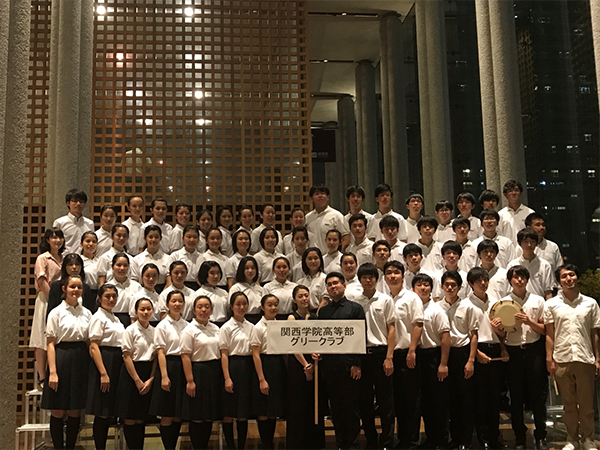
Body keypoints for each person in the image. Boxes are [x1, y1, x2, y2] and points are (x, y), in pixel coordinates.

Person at [545, 264, 600, 450]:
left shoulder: (590, 303)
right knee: (568, 404)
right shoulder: (551, 304)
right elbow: (550, 334)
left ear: (577, 277)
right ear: (559, 282)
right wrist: (549, 359)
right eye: (564, 276)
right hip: (562, 358)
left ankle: (588, 439)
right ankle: (572, 439)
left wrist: (597, 358)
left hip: (584, 358)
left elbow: (594, 333)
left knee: (586, 404)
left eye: (572, 275)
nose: (569, 279)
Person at [41, 274, 92, 450]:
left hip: (80, 359)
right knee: (57, 409)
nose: (76, 290)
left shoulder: (87, 313)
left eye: (79, 287)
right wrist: (53, 372)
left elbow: (89, 341)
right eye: (72, 287)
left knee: (75, 409)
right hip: (61, 358)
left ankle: (70, 446)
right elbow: (50, 343)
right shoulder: (56, 312)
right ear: (64, 289)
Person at [316, 272, 365, 450]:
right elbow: (320, 337)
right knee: (335, 408)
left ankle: (353, 444)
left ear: (344, 285)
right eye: (329, 284)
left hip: (349, 365)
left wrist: (357, 363)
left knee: (351, 408)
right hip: (329, 366)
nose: (333, 286)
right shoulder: (324, 312)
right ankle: (340, 444)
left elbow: (360, 337)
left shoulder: (355, 309)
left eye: (336, 283)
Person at [502, 265, 548, 450]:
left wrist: (529, 321)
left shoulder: (538, 300)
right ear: (510, 281)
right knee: (516, 397)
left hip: (534, 351)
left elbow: (545, 330)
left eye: (522, 277)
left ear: (527, 280)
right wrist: (497, 327)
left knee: (538, 396)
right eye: (515, 277)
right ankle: (519, 437)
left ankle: (540, 436)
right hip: (513, 352)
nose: (519, 280)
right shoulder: (503, 302)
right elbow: (500, 333)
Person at [355, 263, 396, 450]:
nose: (368, 280)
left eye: (371, 277)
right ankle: (371, 439)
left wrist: (389, 357)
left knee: (386, 400)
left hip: (381, 354)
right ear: (360, 280)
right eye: (364, 277)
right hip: (362, 355)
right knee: (364, 401)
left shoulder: (385, 300)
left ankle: (386, 441)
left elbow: (391, 329)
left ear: (377, 279)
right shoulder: (355, 302)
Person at [384, 260, 424, 450]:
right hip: (389, 355)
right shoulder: (384, 299)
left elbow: (418, 324)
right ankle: (401, 439)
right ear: (384, 277)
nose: (393, 276)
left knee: (411, 400)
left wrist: (412, 350)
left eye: (396, 273)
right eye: (389, 273)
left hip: (408, 353)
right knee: (396, 400)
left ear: (403, 275)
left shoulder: (411, 298)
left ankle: (412, 441)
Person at [438, 270, 479, 450]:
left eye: (453, 285)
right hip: (443, 355)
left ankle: (465, 440)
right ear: (441, 287)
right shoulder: (437, 307)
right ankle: (454, 438)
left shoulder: (468, 306)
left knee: (465, 399)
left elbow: (474, 334)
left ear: (460, 287)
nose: (450, 288)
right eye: (447, 285)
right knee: (449, 399)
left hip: (462, 354)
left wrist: (471, 360)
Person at [467, 267, 506, 450]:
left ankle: (494, 436)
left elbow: (502, 332)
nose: (483, 283)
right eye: (478, 281)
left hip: (495, 349)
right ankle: (482, 438)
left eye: (485, 280)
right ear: (470, 284)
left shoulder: (496, 303)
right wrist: (476, 354)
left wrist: (503, 348)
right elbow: (464, 333)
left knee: (495, 397)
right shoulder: (466, 304)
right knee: (479, 398)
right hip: (477, 351)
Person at [181, 295, 223, 450]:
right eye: (200, 307)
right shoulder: (189, 330)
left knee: (208, 415)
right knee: (197, 415)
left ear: (211, 310)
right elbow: (185, 356)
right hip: (197, 372)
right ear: (194, 310)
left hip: (214, 372)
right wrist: (190, 380)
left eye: (207, 307)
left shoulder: (216, 329)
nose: (203, 310)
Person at [414, 273, 450, 450]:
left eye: (426, 285)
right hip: (417, 356)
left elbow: (445, 337)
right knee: (425, 401)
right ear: (413, 288)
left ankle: (441, 439)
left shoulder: (437, 310)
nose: (423, 288)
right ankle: (430, 438)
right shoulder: (411, 307)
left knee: (438, 401)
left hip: (433, 356)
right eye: (419, 285)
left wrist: (443, 364)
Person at [87, 283, 125, 450]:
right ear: (99, 298)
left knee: (111, 410)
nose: (111, 299)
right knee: (102, 411)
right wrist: (103, 372)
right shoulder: (98, 317)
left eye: (113, 296)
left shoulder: (115, 318)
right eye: (107, 296)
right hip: (104, 361)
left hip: (117, 361)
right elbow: (94, 346)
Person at [286, 285, 325, 450]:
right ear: (295, 300)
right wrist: (305, 365)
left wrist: (317, 356)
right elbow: (292, 344)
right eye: (300, 296)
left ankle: (315, 443)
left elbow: (320, 341)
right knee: (298, 405)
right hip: (299, 364)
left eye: (306, 295)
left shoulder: (315, 317)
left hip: (314, 364)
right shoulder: (292, 318)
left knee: (314, 404)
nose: (304, 299)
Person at [116, 297, 156, 450]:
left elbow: (155, 358)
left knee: (141, 418)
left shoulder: (155, 331)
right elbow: (126, 356)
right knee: (130, 418)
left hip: (148, 373)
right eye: (142, 309)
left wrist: (151, 378)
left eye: (148, 309)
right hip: (131, 374)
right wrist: (137, 380)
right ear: (136, 312)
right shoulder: (130, 330)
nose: (146, 312)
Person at [149, 290, 187, 450]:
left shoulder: (187, 325)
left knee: (178, 413)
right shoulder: (162, 326)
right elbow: (160, 352)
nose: (177, 304)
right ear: (167, 304)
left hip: (183, 367)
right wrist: (164, 376)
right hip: (168, 366)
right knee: (167, 413)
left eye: (180, 301)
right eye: (174, 301)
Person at [219, 292, 255, 450]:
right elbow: (224, 354)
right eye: (238, 304)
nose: (241, 307)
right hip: (232, 366)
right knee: (229, 410)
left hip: (247, 367)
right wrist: (227, 377)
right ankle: (230, 446)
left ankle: (241, 446)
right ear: (231, 307)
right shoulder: (226, 327)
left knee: (243, 412)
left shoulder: (251, 326)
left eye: (244, 304)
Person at [251, 294, 286, 450]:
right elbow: (255, 354)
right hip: (264, 366)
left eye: (275, 304)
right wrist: (261, 379)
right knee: (263, 409)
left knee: (273, 409)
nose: (273, 308)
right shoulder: (258, 327)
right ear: (262, 307)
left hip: (278, 366)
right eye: (269, 305)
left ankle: (270, 443)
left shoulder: (279, 325)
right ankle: (266, 445)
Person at [30, 228, 65, 383]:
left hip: (61, 302)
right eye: (54, 237)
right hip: (46, 300)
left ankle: (53, 372)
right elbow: (41, 280)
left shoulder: (64, 258)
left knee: (55, 337)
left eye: (60, 237)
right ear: (47, 240)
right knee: (41, 337)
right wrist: (53, 300)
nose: (57, 240)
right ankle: (42, 377)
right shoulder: (42, 258)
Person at [507, 228, 553, 299]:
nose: (529, 245)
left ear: (536, 243)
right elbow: (509, 289)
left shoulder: (545, 265)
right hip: (517, 303)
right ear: (519, 244)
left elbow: (548, 292)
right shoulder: (512, 265)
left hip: (539, 303)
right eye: (525, 242)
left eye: (532, 241)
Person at [46, 253, 96, 317]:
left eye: (77, 264)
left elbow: (90, 310)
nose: (74, 267)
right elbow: (50, 310)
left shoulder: (86, 287)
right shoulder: (56, 286)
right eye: (70, 264)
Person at [305, 184, 350, 254]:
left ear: (327, 197)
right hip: (313, 257)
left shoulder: (337, 216)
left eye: (323, 193)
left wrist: (339, 254)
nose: (320, 196)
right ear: (311, 198)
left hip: (331, 257)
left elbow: (346, 238)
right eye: (317, 194)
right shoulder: (307, 218)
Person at [52, 188, 94, 254]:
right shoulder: (59, 223)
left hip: (84, 259)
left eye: (81, 201)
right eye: (75, 201)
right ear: (68, 203)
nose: (78, 204)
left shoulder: (90, 223)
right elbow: (54, 244)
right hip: (65, 258)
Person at [131, 225, 170, 292]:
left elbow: (169, 282)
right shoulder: (136, 260)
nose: (153, 240)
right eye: (150, 237)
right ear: (145, 238)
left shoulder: (168, 259)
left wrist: (161, 296)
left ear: (160, 238)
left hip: (162, 292)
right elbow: (134, 282)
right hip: (141, 293)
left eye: (156, 237)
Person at [110, 252, 142, 328]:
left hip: (133, 321)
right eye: (118, 265)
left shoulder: (137, 286)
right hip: (112, 321)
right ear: (112, 267)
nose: (122, 268)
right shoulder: (108, 287)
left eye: (125, 265)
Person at [229, 256, 265, 324]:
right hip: (242, 319)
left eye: (253, 268)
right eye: (247, 268)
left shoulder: (260, 289)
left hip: (259, 320)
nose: (250, 271)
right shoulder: (236, 288)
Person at [167, 224, 204, 290]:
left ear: (198, 240)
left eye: (195, 237)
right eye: (188, 237)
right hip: (178, 286)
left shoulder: (202, 257)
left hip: (197, 287)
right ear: (183, 239)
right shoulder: (175, 256)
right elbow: (168, 275)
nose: (192, 240)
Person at [477, 240, 510, 306]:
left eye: (492, 252)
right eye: (485, 251)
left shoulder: (504, 274)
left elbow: (509, 295)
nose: (489, 254)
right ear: (479, 254)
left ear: (496, 254)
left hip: (499, 309)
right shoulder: (474, 274)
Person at [196, 261, 229, 327]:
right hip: (207, 325)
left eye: (218, 273)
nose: (216, 276)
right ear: (204, 274)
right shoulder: (198, 294)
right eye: (212, 273)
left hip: (224, 325)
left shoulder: (224, 293)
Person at [81, 231, 100, 298]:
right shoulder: (79, 261)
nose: (91, 244)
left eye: (94, 242)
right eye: (88, 241)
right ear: (81, 244)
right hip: (83, 293)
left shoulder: (100, 260)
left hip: (98, 293)